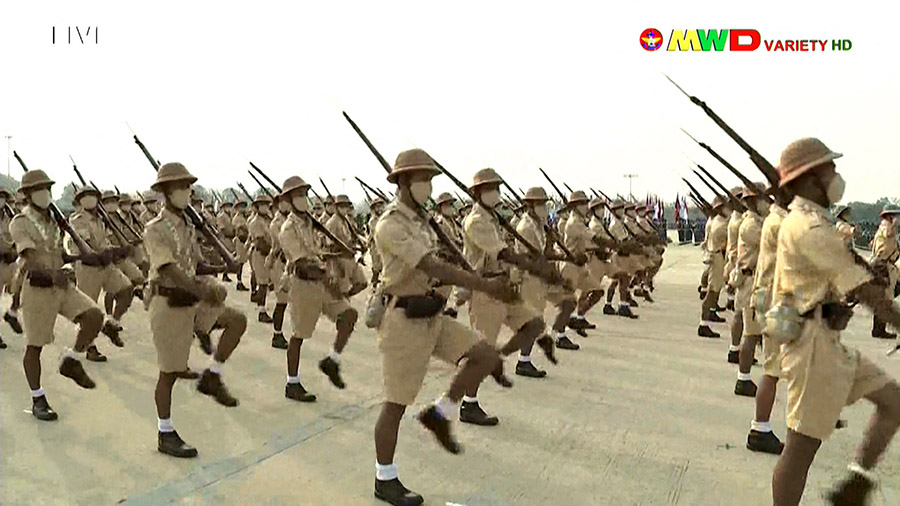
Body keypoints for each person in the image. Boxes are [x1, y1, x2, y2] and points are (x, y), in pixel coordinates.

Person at [372, 149, 516, 506]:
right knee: (396, 404)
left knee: (484, 354)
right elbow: (431, 266)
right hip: (404, 319)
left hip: (432, 314)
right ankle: (384, 478)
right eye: (423, 179)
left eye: (431, 179)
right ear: (404, 182)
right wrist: (482, 284)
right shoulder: (389, 223)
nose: (428, 186)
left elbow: (441, 262)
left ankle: (442, 412)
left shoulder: (422, 221)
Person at [767, 138, 900, 505]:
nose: (837, 176)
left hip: (826, 342)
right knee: (800, 448)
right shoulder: (810, 228)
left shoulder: (815, 222)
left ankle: (854, 487)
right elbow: (870, 296)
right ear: (811, 178)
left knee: (894, 402)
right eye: (830, 170)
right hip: (812, 350)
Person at [143, 162, 242, 458]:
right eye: (182, 187)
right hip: (169, 302)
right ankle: (165, 432)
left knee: (236, 322)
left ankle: (212, 375)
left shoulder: (188, 224)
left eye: (189, 186)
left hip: (192, 301)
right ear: (166, 193)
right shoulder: (155, 229)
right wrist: (202, 289)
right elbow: (170, 270)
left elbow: (196, 264)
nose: (188, 191)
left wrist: (225, 266)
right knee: (169, 373)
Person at [9, 169, 106, 421]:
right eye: (40, 189)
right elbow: (29, 257)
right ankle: (38, 397)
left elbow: (58, 253)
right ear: (29, 195)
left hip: (61, 284)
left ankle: (71, 359)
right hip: (38, 287)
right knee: (35, 347)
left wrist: (77, 257)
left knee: (94, 316)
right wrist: (54, 275)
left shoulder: (54, 220)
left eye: (48, 189)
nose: (46, 194)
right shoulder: (20, 222)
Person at [462, 168, 546, 425]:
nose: (495, 192)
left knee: (533, 324)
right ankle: (468, 404)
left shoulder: (492, 218)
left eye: (496, 188)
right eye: (490, 189)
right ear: (478, 193)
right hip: (486, 288)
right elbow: (501, 252)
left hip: (504, 286)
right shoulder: (476, 221)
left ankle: (510, 357)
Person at [279, 176, 359, 397]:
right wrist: (326, 274)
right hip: (304, 284)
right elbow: (302, 263)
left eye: (305, 194)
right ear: (289, 201)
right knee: (299, 335)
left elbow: (316, 252)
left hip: (322, 282)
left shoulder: (310, 223)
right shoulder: (288, 228)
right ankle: (291, 383)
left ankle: (332, 360)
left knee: (349, 315)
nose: (303, 199)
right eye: (298, 196)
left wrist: (336, 256)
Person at [744, 183, 794, 455]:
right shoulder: (780, 222)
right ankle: (759, 429)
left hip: (774, 300)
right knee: (773, 369)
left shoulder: (774, 220)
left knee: (784, 367)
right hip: (777, 303)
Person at [519, 187, 579, 352]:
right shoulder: (526, 228)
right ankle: (523, 360)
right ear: (530, 206)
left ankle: (559, 335)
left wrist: (553, 244)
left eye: (544, 204)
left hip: (544, 276)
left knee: (569, 301)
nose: (544, 208)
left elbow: (545, 253)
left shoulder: (539, 225)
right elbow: (535, 258)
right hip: (531, 278)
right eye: (540, 204)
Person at [730, 183, 767, 395]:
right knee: (751, 333)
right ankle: (743, 379)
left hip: (757, 282)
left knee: (756, 332)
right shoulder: (751, 225)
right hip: (751, 282)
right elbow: (771, 240)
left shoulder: (756, 222)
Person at [698, 196, 730, 337]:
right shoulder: (721, 224)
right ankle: (703, 324)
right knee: (712, 292)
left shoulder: (718, 221)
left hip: (716, 257)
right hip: (717, 257)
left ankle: (707, 317)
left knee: (714, 291)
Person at [267, 193, 291, 349]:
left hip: (287, 263)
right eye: (284, 203)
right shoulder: (276, 223)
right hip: (278, 263)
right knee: (281, 301)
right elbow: (284, 243)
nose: (288, 205)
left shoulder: (289, 220)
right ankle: (276, 334)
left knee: (288, 300)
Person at [1, 186, 23, 344]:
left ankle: (12, 312)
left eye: (3, 196)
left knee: (21, 286)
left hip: (9, 260)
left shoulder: (9, 215)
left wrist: (15, 250)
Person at [248, 194, 274, 323]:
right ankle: (261, 311)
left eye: (266, 205)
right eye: (262, 205)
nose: (265, 207)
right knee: (263, 283)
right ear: (257, 207)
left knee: (265, 282)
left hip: (266, 253)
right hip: (260, 253)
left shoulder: (267, 220)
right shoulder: (256, 222)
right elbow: (260, 241)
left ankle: (261, 307)